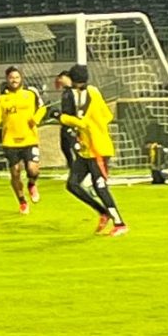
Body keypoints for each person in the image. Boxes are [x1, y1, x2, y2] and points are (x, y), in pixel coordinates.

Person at [58, 64, 128, 236]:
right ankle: (103, 212)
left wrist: (62, 118)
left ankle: (120, 223)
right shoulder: (87, 93)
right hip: (86, 150)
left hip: (98, 150)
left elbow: (83, 122)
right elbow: (107, 116)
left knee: (100, 186)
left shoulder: (89, 95)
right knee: (72, 184)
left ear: (73, 80)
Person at [0, 65, 46, 215]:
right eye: (11, 78)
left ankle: (32, 184)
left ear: (21, 78)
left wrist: (36, 119)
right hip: (10, 141)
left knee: (33, 169)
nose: (14, 80)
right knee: (15, 172)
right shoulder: (1, 99)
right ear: (7, 80)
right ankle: (22, 201)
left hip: (29, 139)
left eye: (16, 77)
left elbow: (42, 108)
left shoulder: (31, 93)